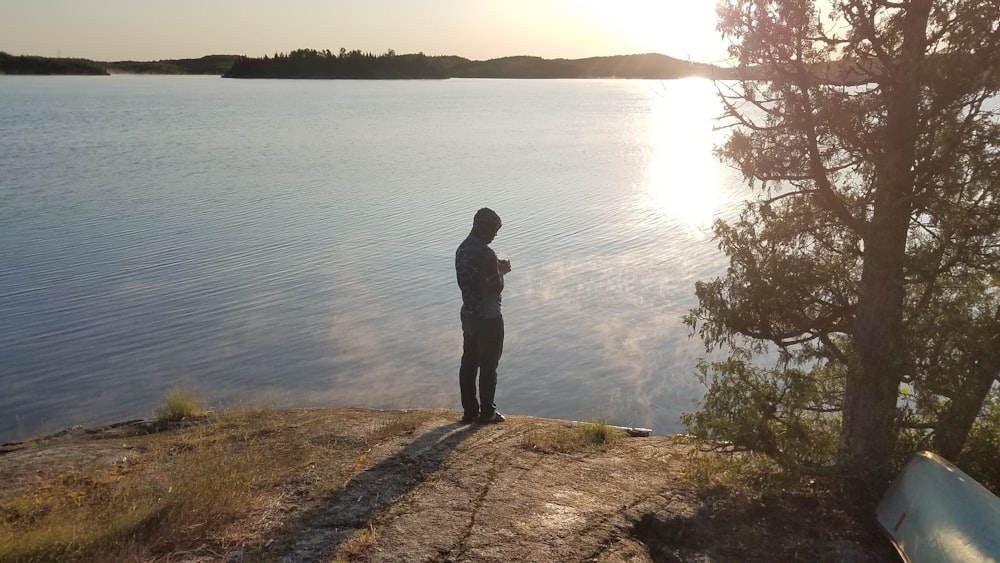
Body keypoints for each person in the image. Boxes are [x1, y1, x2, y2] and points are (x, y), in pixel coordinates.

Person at [455, 207, 511, 424]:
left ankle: (470, 411)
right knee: (489, 365)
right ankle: (487, 412)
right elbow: (494, 287)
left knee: (468, 363)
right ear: (483, 227)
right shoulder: (486, 253)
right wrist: (502, 271)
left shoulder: (462, 250)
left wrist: (493, 268)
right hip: (489, 318)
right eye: (494, 230)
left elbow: (470, 280)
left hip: (468, 315)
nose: (495, 235)